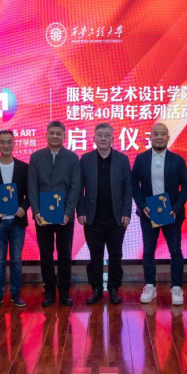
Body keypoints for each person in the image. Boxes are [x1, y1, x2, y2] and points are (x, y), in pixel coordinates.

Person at [132, 122, 187, 306]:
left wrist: (176, 207)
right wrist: (142, 206)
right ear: (150, 137)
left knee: (175, 251)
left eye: (162, 134)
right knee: (148, 251)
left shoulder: (177, 160)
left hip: (171, 213)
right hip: (149, 213)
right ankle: (150, 285)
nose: (159, 137)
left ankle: (177, 287)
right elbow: (134, 185)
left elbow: (186, 185)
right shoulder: (141, 159)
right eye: (155, 134)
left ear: (168, 137)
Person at [76, 123, 132, 305]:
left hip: (116, 217)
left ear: (113, 139)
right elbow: (79, 188)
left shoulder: (122, 159)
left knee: (116, 255)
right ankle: (97, 289)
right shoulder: (85, 159)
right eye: (99, 135)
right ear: (94, 138)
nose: (103, 138)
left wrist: (126, 212)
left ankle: (114, 288)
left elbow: (128, 188)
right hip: (92, 217)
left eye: (107, 135)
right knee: (95, 256)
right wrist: (81, 211)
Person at [28, 121, 81, 307]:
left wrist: (68, 212)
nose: (55, 136)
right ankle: (49, 290)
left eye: (59, 133)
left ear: (64, 136)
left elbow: (75, 187)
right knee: (46, 254)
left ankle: (64, 290)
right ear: (46, 135)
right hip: (42, 215)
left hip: (65, 215)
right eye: (52, 133)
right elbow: (32, 186)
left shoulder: (72, 158)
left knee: (65, 254)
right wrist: (36, 211)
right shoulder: (36, 157)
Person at [0, 130, 30, 310]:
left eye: (9, 142)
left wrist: (23, 207)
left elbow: (30, 194)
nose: (6, 145)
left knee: (17, 260)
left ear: (14, 143)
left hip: (18, 221)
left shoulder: (23, 167)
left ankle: (16, 294)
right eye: (2, 142)